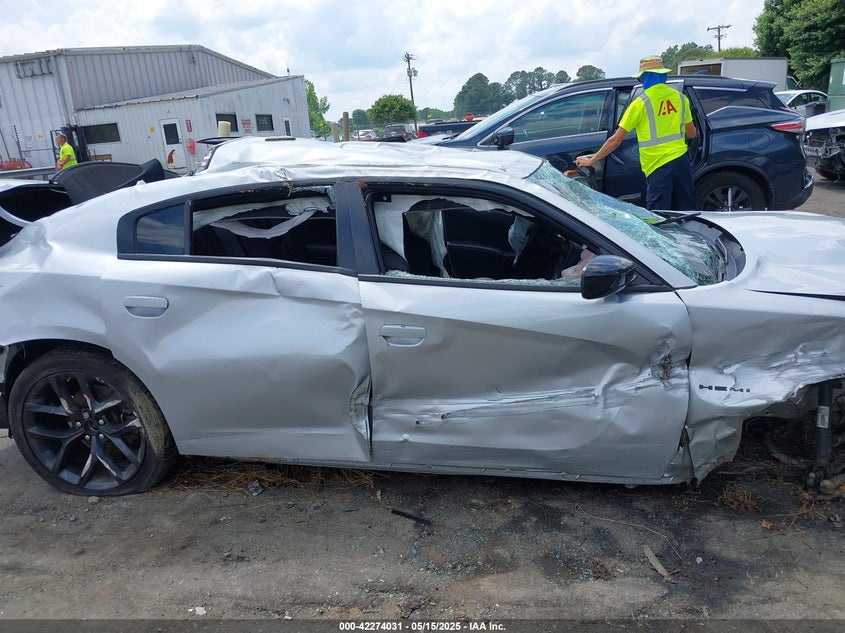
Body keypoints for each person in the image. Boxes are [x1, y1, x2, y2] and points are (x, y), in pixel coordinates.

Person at [575, 55, 697, 211]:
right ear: (663, 75)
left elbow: (615, 140)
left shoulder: (640, 104)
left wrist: (592, 160)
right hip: (681, 162)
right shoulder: (680, 98)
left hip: (658, 166)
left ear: (645, 78)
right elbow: (691, 133)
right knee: (686, 211)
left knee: (659, 215)